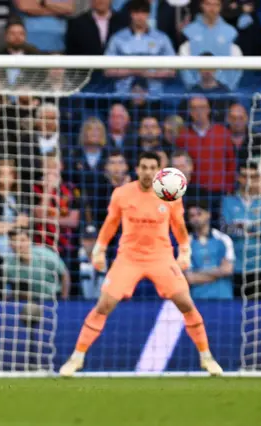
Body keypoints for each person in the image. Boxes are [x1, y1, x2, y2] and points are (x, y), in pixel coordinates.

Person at [59, 151, 223, 377]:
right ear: (137, 169)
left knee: (186, 304)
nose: (147, 172)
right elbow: (110, 224)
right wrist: (99, 250)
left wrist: (184, 251)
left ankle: (207, 357)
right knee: (104, 305)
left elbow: (179, 226)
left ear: (159, 170)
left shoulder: (170, 193)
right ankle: (76, 358)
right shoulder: (122, 194)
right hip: (129, 257)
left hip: (161, 257)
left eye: (151, 167)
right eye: (143, 167)